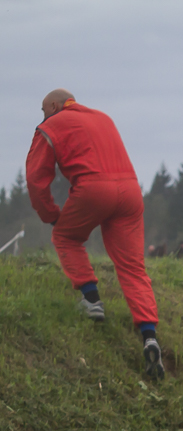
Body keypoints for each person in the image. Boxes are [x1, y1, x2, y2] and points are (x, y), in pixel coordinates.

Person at [25, 89, 164, 380]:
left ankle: (91, 300)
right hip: (130, 191)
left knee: (65, 237)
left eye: (43, 110)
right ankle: (149, 335)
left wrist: (51, 215)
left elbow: (36, 179)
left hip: (93, 188)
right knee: (132, 266)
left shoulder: (49, 126)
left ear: (54, 105)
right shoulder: (103, 118)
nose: (43, 115)